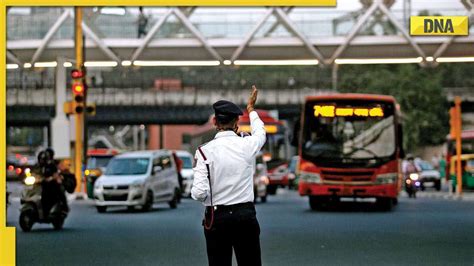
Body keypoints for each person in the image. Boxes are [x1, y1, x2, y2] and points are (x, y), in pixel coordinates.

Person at [191, 86, 266, 266]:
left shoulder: (204, 152)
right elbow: (260, 132)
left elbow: (199, 193)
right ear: (236, 123)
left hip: (217, 218)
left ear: (215, 122)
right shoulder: (247, 145)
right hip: (245, 215)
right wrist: (251, 110)